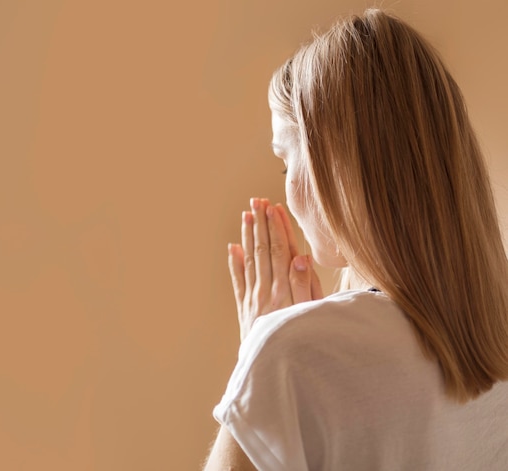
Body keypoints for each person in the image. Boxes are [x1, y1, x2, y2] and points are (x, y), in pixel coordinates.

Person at [203, 8, 508, 471]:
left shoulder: (291, 357)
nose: (285, 192)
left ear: (341, 165)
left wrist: (259, 358)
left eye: (287, 163)